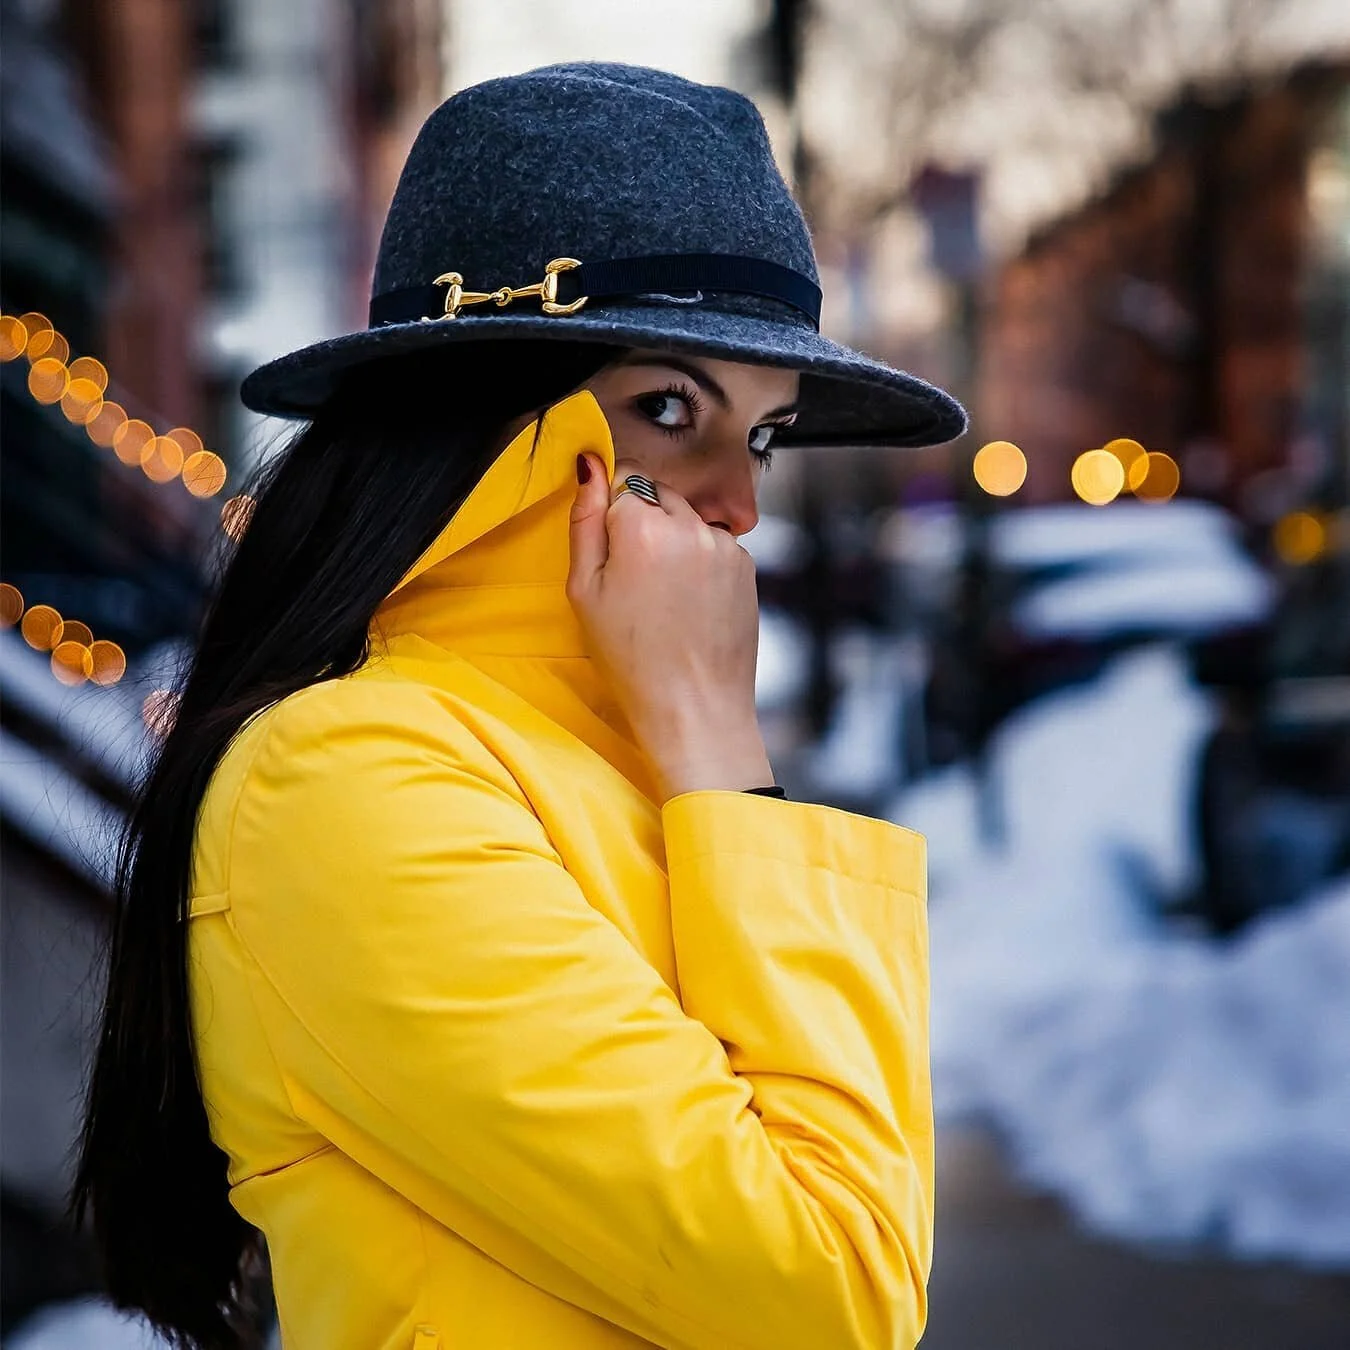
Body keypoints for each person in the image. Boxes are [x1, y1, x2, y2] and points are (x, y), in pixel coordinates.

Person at [72, 63, 965, 1350]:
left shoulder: (610, 760)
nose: (740, 506)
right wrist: (723, 757)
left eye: (761, 437)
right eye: (670, 410)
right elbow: (829, 1287)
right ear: (485, 423)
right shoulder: (345, 782)